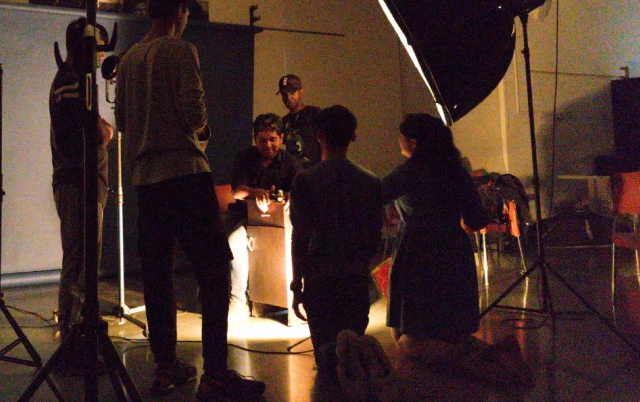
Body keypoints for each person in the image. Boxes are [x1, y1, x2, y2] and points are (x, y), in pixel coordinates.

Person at [114, 0, 265, 401]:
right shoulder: (180, 51)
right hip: (184, 172)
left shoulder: (129, 59)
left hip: (147, 181)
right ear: (180, 11)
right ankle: (215, 373)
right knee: (214, 273)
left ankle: (166, 368)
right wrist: (200, 129)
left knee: (157, 277)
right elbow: (195, 114)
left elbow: (122, 123)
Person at [381, 113, 531, 384]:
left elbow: (373, 196)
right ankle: (494, 355)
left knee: (408, 339)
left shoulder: (406, 174)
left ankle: (487, 371)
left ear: (412, 142)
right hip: (454, 253)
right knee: (451, 331)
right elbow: (476, 219)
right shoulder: (455, 171)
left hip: (417, 255)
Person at [289, 105, 384, 372]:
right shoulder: (370, 181)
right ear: (353, 137)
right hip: (355, 277)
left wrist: (297, 283)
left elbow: (300, 237)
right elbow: (375, 237)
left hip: (320, 278)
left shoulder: (305, 180)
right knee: (352, 355)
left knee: (327, 359)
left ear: (319, 136)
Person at [49, 18, 114, 344]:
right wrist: (104, 132)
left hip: (85, 182)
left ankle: (78, 328)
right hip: (78, 183)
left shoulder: (75, 81)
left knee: (84, 259)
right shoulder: (71, 82)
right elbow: (96, 133)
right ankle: (71, 333)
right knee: (79, 260)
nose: (102, 56)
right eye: (98, 49)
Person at [226, 113, 301, 320]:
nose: (267, 145)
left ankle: (292, 297)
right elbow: (236, 191)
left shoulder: (291, 162)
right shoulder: (244, 158)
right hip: (248, 220)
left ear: (281, 138)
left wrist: (290, 196)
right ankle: (238, 300)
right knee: (234, 241)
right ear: (255, 139)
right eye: (262, 140)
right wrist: (256, 193)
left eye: (272, 139)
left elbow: (302, 189)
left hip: (281, 223)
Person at [277, 74, 322, 167]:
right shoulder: (284, 121)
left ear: (301, 91)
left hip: (314, 170)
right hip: (295, 172)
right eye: (284, 94)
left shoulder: (314, 113)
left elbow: (326, 143)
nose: (288, 97)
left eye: (292, 93)